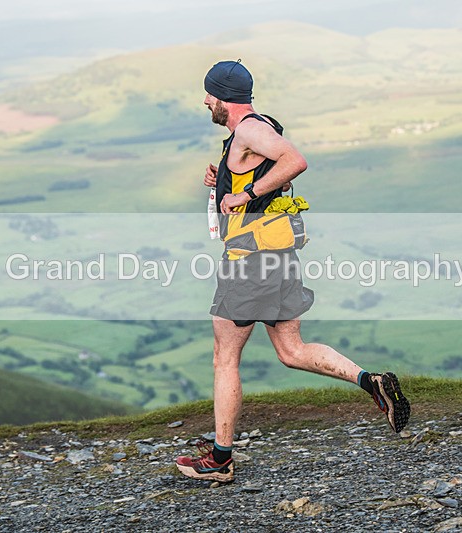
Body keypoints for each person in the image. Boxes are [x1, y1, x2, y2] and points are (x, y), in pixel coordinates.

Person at [175, 60, 410, 483]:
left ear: (223, 97)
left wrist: (243, 192)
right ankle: (371, 381)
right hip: (277, 254)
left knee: (224, 358)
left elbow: (295, 161)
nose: (205, 101)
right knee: (291, 350)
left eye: (209, 94)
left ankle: (220, 459)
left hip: (249, 259)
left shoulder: (248, 129)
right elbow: (275, 175)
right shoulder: (257, 128)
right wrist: (224, 181)